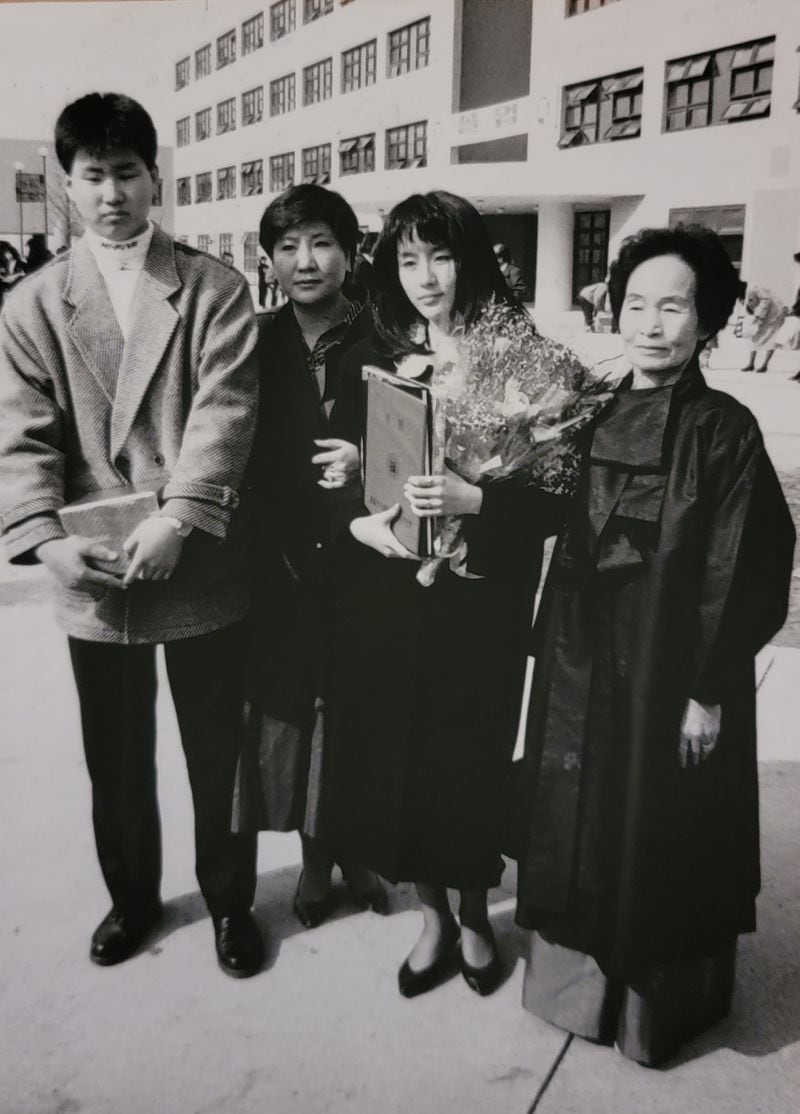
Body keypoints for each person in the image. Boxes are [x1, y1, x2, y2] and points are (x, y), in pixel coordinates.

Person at [514, 225, 795, 1066]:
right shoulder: (585, 411)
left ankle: (649, 1014)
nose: (650, 322)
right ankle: (572, 989)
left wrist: (706, 687)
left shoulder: (725, 430)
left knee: (659, 831)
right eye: (635, 303)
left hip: (669, 669)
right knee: (575, 819)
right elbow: (537, 512)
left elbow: (745, 565)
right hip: (579, 658)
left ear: (706, 318)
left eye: (673, 306)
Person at [0, 93, 263, 977]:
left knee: (214, 750)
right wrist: (44, 543)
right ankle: (134, 900)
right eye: (93, 176)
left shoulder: (214, 287)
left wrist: (181, 517)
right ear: (67, 184)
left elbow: (226, 410)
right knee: (114, 758)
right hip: (92, 562)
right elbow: (21, 433)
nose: (111, 193)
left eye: (127, 172)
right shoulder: (32, 304)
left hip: (197, 554)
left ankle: (230, 903)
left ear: (156, 177)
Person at [323, 191, 563, 999]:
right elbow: (366, 467)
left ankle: (474, 912)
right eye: (408, 259)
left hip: (479, 598)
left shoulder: (528, 361)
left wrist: (479, 502)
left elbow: (561, 493)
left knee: (469, 754)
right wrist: (355, 474)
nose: (425, 277)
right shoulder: (382, 348)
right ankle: (430, 915)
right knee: (403, 757)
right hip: (393, 592)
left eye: (442, 256)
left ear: (474, 257)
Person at [233, 183, 386, 926]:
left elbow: (424, 445)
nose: (305, 260)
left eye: (322, 243)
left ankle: (354, 846)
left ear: (351, 254)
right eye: (288, 247)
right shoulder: (252, 341)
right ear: (268, 261)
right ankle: (317, 858)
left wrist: (371, 462)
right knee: (300, 712)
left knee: (365, 708)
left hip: (374, 565)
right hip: (282, 564)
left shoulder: (390, 338)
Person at [740, 284, 786, 372]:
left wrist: (758, 316)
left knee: (771, 338)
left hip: (774, 314)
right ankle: (751, 364)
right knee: (754, 337)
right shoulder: (746, 290)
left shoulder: (755, 288)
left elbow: (765, 300)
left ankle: (765, 365)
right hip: (763, 314)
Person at [0, 241, 26, 310]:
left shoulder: (22, 265)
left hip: (16, 295)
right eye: (2, 253)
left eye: (6, 251)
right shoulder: (2, 264)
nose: (5, 255)